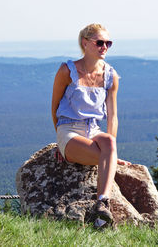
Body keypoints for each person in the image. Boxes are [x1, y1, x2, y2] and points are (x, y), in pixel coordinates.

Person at [51, 23, 131, 227]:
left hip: (93, 129)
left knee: (109, 145)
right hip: (69, 129)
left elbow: (112, 116)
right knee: (106, 156)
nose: (105, 47)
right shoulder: (67, 71)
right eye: (100, 42)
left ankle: (102, 205)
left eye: (108, 43)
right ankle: (101, 216)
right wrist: (60, 141)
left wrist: (111, 153)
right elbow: (54, 107)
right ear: (85, 43)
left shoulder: (110, 76)